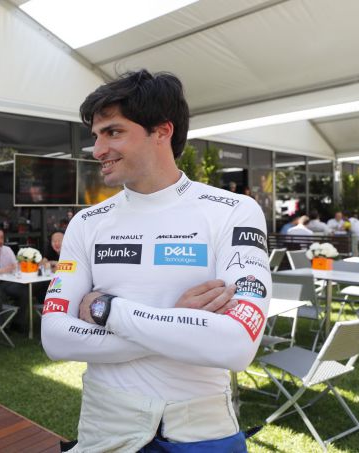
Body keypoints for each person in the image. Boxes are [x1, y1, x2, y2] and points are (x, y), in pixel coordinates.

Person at [41, 70, 270, 452]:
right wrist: (178, 321)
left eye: (113, 132)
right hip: (106, 430)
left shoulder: (234, 211)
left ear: (162, 131)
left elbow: (236, 345)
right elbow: (54, 337)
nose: (97, 150)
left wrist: (106, 309)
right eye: (96, 136)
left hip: (201, 432)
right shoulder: (87, 222)